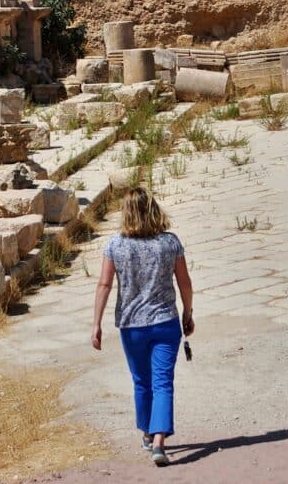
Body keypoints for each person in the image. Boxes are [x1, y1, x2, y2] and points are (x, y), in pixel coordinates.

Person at [91, 187, 194, 468]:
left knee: (141, 381)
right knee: (163, 382)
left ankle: (149, 434)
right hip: (165, 323)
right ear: (154, 210)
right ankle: (159, 441)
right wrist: (188, 312)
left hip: (131, 325)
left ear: (126, 214)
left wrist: (96, 323)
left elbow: (104, 284)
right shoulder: (170, 243)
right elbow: (184, 283)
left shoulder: (115, 245)